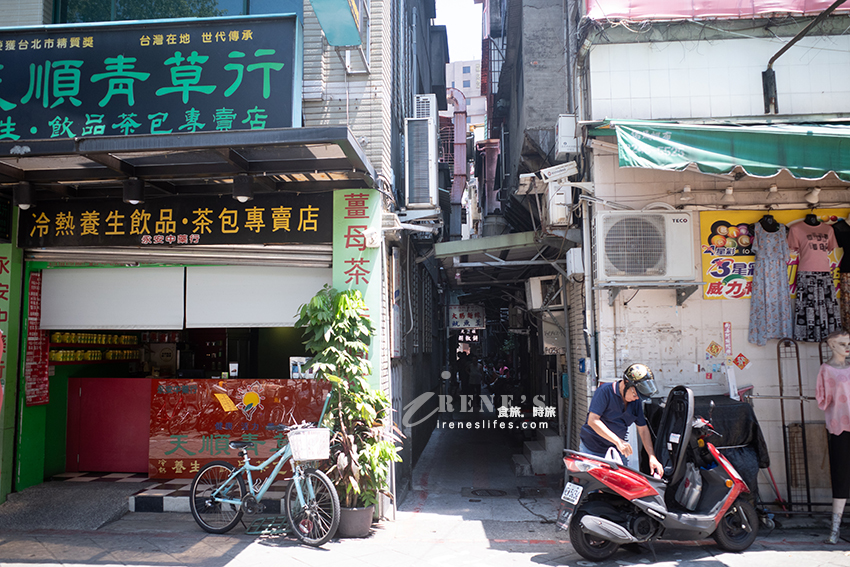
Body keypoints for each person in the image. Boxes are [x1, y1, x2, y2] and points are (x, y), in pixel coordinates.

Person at [579, 363, 664, 478]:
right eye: (635, 393)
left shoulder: (635, 402)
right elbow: (593, 421)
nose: (636, 398)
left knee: (619, 487)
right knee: (593, 488)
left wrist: (651, 456)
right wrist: (618, 441)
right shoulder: (605, 392)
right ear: (626, 384)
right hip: (592, 448)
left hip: (616, 451)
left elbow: (643, 429)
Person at [816, 329, 850, 544]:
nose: (847, 347)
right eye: (841, 343)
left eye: (848, 343)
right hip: (839, 427)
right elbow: (823, 399)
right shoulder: (826, 370)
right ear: (831, 345)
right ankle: (835, 529)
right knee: (841, 475)